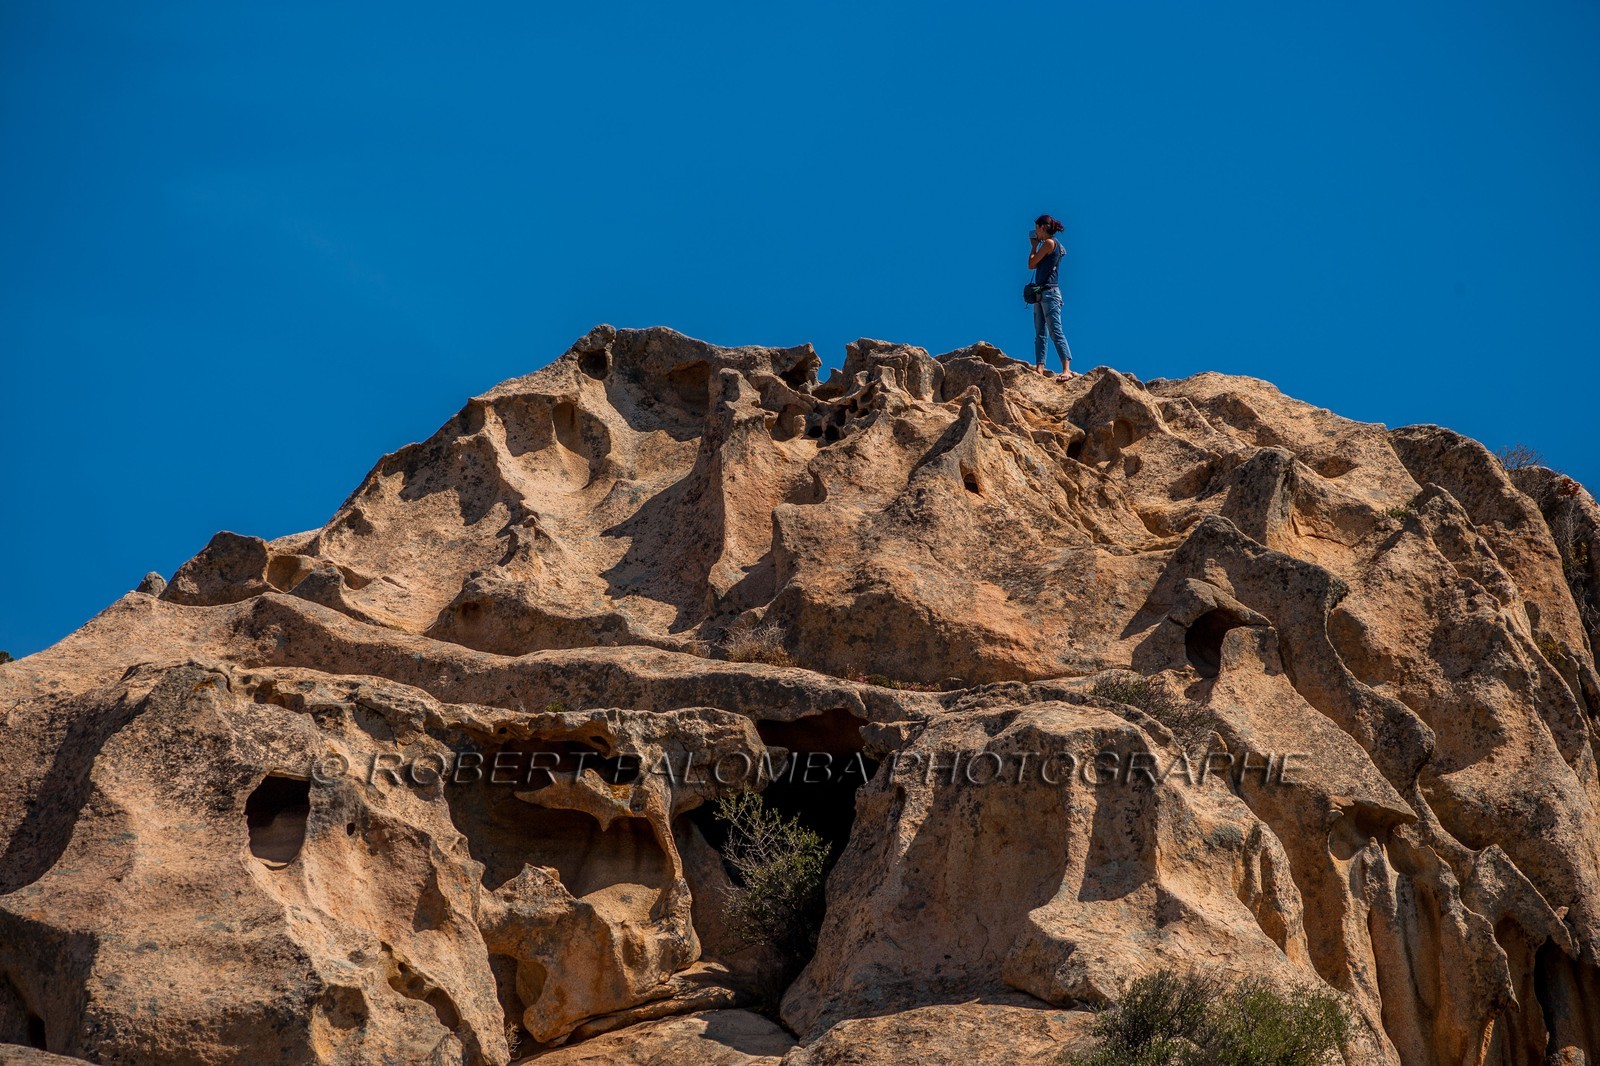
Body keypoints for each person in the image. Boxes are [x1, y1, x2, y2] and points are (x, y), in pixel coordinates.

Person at [1029, 215, 1074, 379]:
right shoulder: (1051, 244)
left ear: (1042, 227)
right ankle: (1040, 367)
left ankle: (1066, 369)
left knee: (1055, 330)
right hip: (1042, 292)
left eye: (1036, 228)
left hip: (1050, 293)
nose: (1036, 233)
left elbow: (1031, 264)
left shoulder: (1049, 243)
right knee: (1040, 331)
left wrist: (1033, 247)